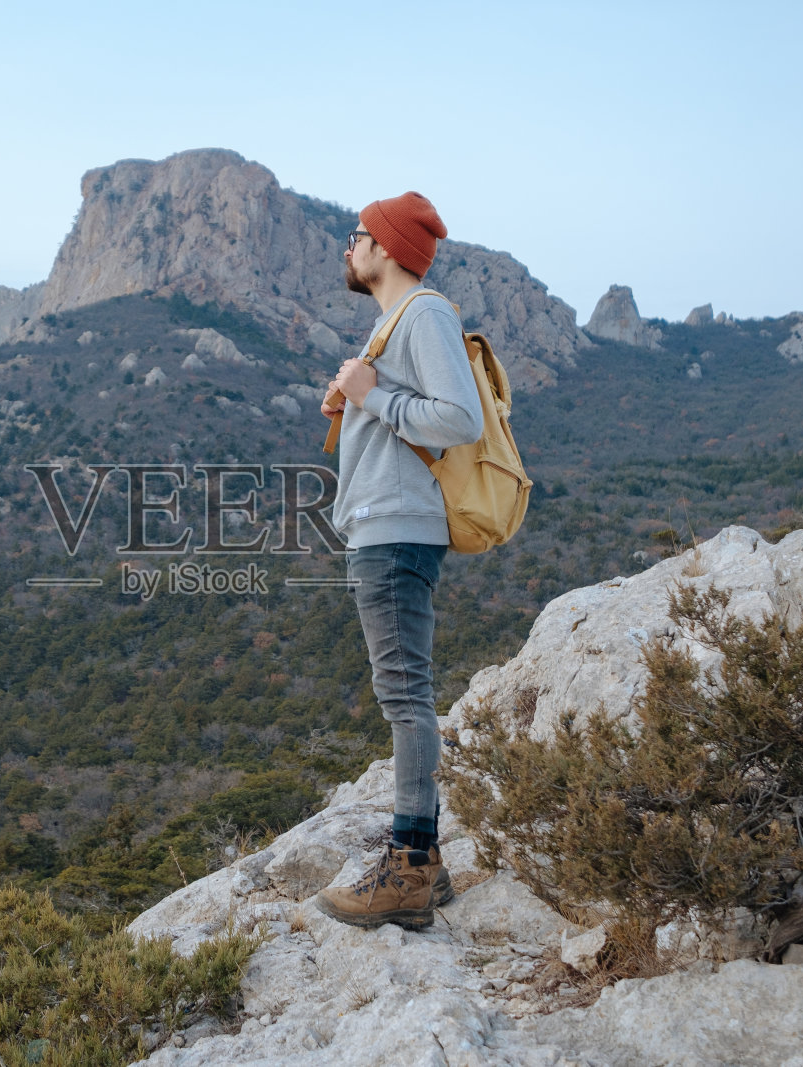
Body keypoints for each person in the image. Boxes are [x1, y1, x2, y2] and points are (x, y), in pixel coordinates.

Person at [316, 191, 484, 930]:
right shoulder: (395, 323)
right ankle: (429, 863)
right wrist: (357, 399)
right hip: (380, 531)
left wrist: (373, 395)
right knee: (404, 691)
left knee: (405, 696)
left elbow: (458, 418)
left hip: (395, 533)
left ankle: (409, 865)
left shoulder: (425, 314)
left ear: (385, 249)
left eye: (357, 236)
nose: (348, 248)